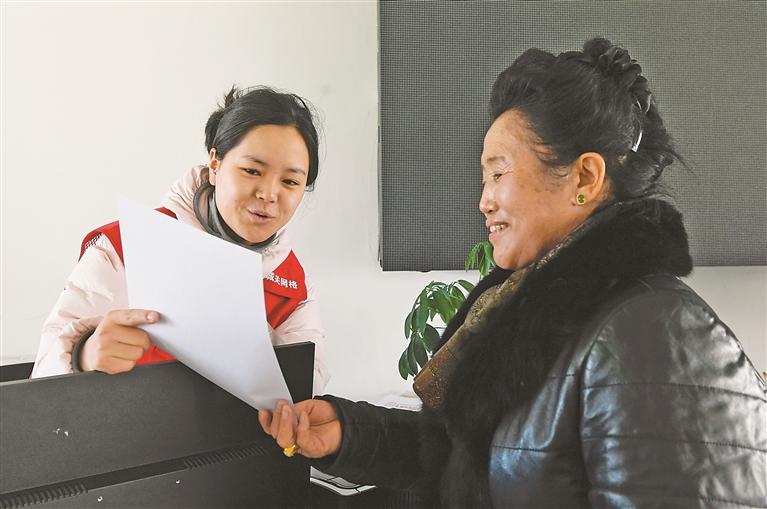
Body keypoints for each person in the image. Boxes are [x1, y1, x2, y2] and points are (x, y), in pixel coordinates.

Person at [258, 38, 766, 507]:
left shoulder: (658, 334)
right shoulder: (532, 312)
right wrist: (347, 432)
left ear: (585, 177)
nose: (484, 202)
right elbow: (464, 459)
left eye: (499, 173)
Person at [31, 86, 330, 395]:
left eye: (290, 181)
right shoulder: (124, 247)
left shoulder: (292, 285)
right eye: (252, 170)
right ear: (215, 164)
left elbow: (307, 388)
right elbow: (41, 381)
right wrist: (84, 353)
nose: (268, 194)